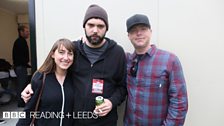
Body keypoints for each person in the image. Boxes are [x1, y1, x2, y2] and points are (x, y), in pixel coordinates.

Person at [21, 4, 127, 126]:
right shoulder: (73, 50)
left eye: (100, 26)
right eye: (91, 25)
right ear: (84, 26)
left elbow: (122, 87)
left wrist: (112, 102)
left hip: (105, 122)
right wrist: (33, 84)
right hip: (74, 121)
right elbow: (55, 70)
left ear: (106, 28)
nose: (95, 30)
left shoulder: (117, 53)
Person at [124, 14, 188, 126]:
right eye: (134, 30)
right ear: (129, 36)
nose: (139, 33)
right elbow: (106, 51)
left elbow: (179, 102)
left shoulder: (169, 60)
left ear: (150, 32)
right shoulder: (126, 60)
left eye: (143, 29)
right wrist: (85, 42)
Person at [16, 38, 75, 126]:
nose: (66, 57)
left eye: (70, 54)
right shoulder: (40, 78)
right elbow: (29, 111)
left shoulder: (75, 78)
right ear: (52, 54)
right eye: (61, 52)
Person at [12, 25, 30, 107]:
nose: (28, 33)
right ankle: (21, 103)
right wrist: (27, 64)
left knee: (22, 84)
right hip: (20, 67)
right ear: (21, 32)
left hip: (21, 66)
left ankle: (22, 102)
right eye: (26, 31)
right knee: (21, 85)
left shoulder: (20, 41)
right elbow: (20, 57)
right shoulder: (20, 42)